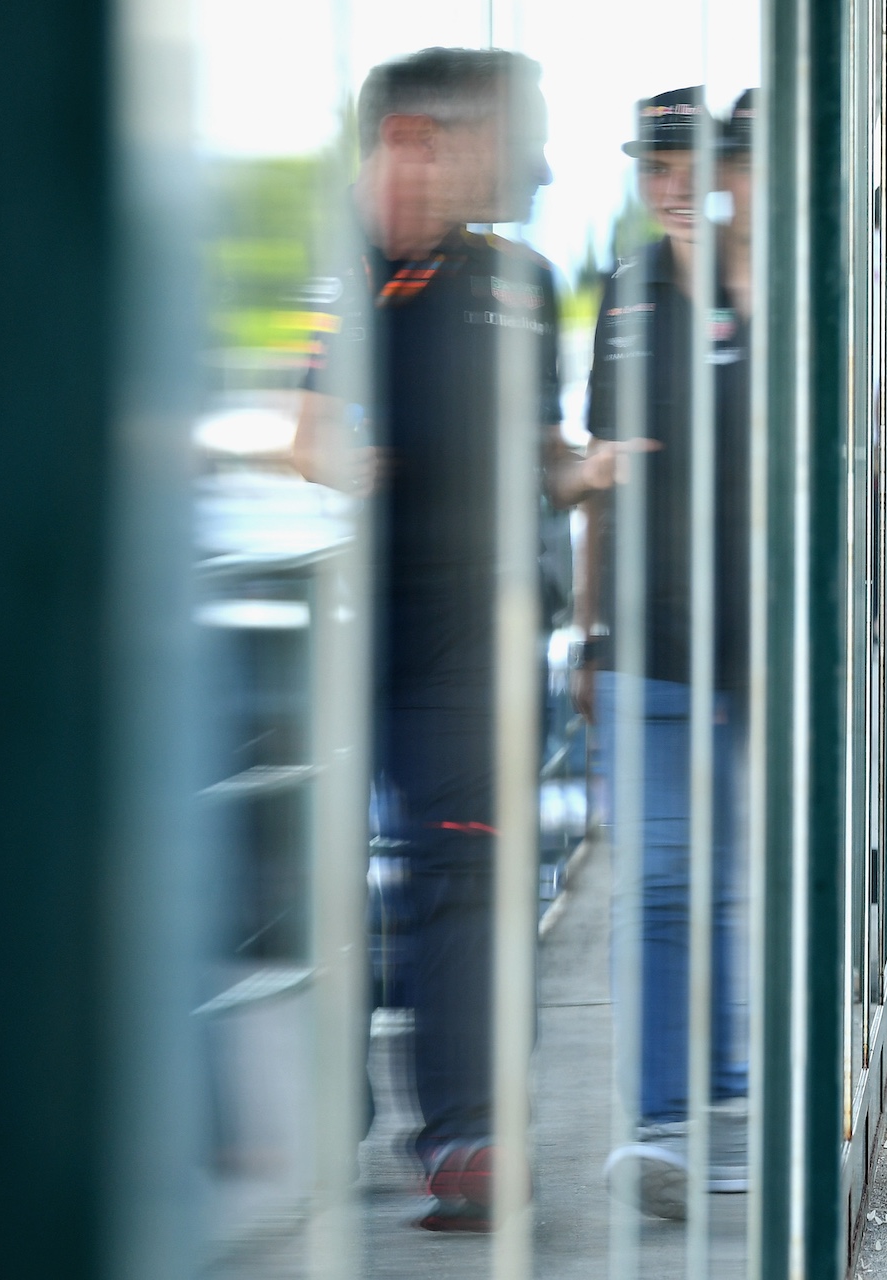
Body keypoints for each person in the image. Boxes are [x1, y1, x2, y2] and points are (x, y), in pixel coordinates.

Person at [292, 46, 591, 1232]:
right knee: (322, 883)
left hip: (473, 633)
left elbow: (545, 452)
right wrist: (335, 457)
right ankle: (321, 1107)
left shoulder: (519, 279)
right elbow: (304, 428)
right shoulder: (338, 273)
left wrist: (592, 471)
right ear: (420, 139)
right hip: (349, 623)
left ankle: (467, 1133)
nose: (543, 163)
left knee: (465, 873)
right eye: (517, 136)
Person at [575, 86, 754, 1220]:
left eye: (695, 161)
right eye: (658, 165)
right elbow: (603, 472)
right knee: (657, 880)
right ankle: (656, 1120)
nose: (677, 184)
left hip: (762, 642)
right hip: (646, 636)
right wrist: (590, 626)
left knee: (734, 883)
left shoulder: (775, 288)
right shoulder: (627, 295)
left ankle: (728, 1098)